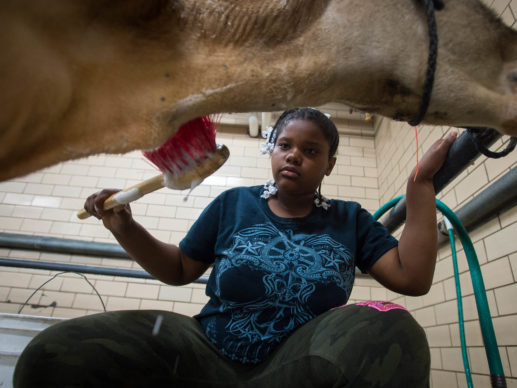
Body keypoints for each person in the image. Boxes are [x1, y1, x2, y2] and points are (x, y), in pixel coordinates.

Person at [14, 108, 457, 387]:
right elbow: (180, 267)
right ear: (271, 150)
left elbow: (410, 278)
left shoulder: (350, 218)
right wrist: (124, 227)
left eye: (310, 150)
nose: (294, 155)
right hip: (204, 351)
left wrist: (419, 185)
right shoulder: (234, 203)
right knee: (57, 354)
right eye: (284, 145)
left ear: (329, 164)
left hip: (298, 366)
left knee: (393, 329)